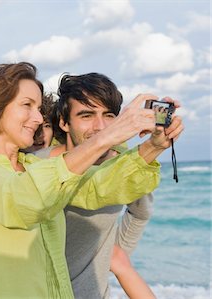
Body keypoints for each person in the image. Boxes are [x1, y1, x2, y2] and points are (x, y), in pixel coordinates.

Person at [0, 62, 183, 298]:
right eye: (27, 106)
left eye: (39, 108)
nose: (38, 118)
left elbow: (99, 186)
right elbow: (23, 200)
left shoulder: (35, 166)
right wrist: (107, 135)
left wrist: (153, 146)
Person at [34, 73, 157, 298]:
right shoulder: (39, 165)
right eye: (87, 115)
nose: (100, 127)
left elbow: (141, 211)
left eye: (109, 115)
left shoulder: (122, 162)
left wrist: (115, 254)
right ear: (63, 121)